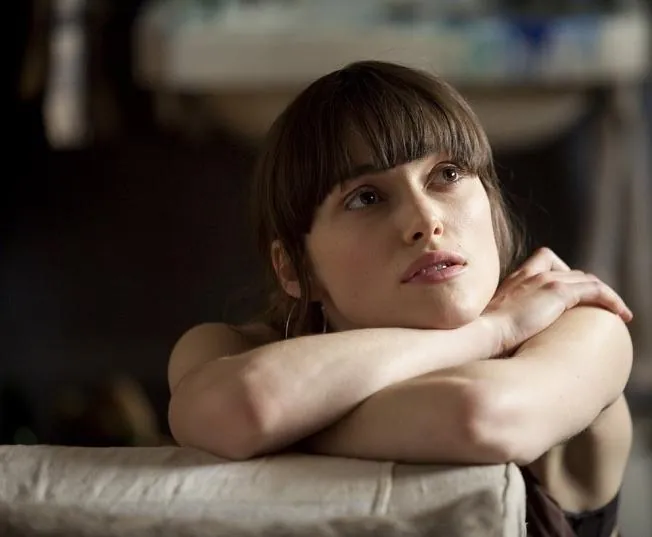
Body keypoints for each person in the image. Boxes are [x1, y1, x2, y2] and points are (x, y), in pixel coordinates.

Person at [167, 61, 634, 537]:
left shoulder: (582, 323)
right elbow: (248, 405)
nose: (425, 220)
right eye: (367, 198)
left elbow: (476, 417)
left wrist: (287, 424)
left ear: (492, 206)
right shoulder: (225, 347)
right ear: (294, 267)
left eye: (447, 174)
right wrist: (493, 329)